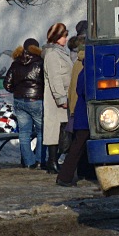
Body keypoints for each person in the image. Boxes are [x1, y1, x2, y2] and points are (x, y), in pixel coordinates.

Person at [57, 21, 93, 187]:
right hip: (83, 112)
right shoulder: (85, 65)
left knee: (80, 144)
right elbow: (81, 88)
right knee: (78, 145)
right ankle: (65, 176)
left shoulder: (79, 63)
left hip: (80, 111)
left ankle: (83, 173)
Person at [3, 37, 45, 169]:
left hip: (19, 100)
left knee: (24, 133)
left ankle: (28, 162)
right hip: (36, 100)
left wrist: (17, 90)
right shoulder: (40, 62)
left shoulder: (16, 63)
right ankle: (40, 159)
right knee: (41, 132)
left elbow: (7, 84)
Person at [42, 22, 73, 173]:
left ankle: (54, 161)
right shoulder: (52, 54)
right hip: (56, 100)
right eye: (63, 36)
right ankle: (52, 162)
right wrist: (61, 99)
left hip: (63, 97)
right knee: (55, 131)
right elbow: (55, 78)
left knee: (61, 131)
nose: (66, 39)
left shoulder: (60, 52)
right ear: (56, 37)